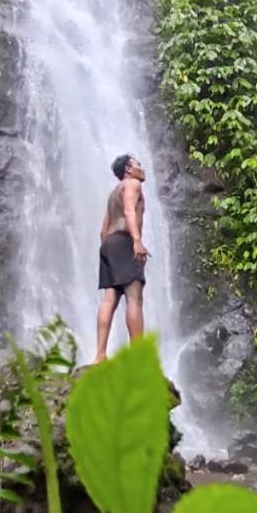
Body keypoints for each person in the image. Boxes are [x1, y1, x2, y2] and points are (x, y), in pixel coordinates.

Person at [94, 153, 151, 362]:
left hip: (109, 244)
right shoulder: (132, 184)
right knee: (135, 298)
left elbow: (102, 231)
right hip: (125, 241)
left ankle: (100, 355)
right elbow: (129, 210)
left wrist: (109, 253)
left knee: (110, 299)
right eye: (138, 165)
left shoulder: (113, 194)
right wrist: (136, 240)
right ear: (128, 169)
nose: (142, 169)